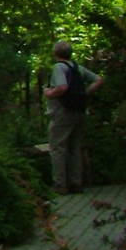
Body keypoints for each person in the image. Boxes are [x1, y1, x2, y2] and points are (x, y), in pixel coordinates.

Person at [44, 40, 103, 193]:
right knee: (75, 147)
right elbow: (98, 80)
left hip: (63, 112)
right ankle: (76, 182)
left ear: (55, 53)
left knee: (58, 148)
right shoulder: (77, 68)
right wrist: (84, 94)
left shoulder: (58, 67)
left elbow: (62, 87)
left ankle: (60, 184)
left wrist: (49, 93)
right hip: (80, 111)